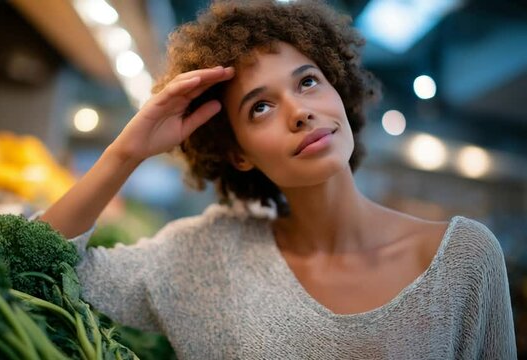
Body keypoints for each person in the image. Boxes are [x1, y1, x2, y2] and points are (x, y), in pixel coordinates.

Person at [40, 0, 517, 358]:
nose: (300, 112)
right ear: (238, 154)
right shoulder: (203, 258)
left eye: (308, 81)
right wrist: (127, 152)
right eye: (260, 107)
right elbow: (36, 267)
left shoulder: (464, 260)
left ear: (339, 90)